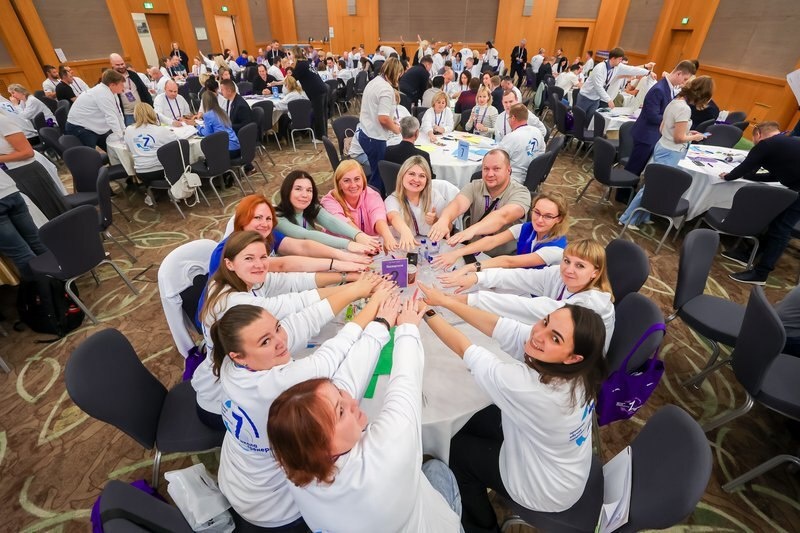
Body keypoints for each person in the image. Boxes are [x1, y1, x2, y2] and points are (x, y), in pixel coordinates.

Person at [210, 274, 394, 531]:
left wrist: (356, 290)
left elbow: (303, 320)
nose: (280, 341)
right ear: (238, 356)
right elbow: (336, 366)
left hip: (237, 480)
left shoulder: (232, 366)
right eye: (265, 341)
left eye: (277, 328)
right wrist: (379, 319)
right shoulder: (276, 385)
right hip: (275, 507)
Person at [418, 283, 607, 531]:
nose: (538, 334)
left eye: (555, 338)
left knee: (456, 454)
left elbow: (466, 349)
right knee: (472, 418)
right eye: (545, 321)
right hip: (563, 462)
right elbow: (501, 327)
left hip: (543, 486)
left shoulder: (532, 389)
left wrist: (425, 311)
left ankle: (481, 527)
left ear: (573, 357)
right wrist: (445, 301)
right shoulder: (580, 369)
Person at [268, 298, 463, 533]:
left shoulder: (294, 460)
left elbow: (347, 379)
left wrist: (381, 323)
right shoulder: (385, 451)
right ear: (320, 447)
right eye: (341, 412)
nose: (352, 402)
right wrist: (407, 328)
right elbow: (405, 383)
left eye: (340, 394)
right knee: (439, 470)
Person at [192, 230, 381, 428]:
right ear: (229, 263)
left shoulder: (239, 280)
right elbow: (295, 306)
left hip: (237, 384)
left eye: (263, 257)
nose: (259, 264)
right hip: (220, 404)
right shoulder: (235, 302)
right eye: (249, 258)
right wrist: (354, 289)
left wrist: (348, 279)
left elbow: (293, 282)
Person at [618, 75, 713, 230]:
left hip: (663, 145)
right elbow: (678, 138)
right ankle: (628, 218)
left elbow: (664, 128)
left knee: (654, 185)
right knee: (653, 186)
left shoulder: (675, 101)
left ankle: (642, 215)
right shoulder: (684, 109)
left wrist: (687, 133)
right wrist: (695, 137)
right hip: (671, 151)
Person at [719, 122, 800, 285]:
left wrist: (727, 176)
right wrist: (750, 177)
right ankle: (749, 255)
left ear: (758, 134)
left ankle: (761, 273)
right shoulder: (785, 142)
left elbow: (744, 168)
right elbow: (777, 175)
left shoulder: (766, 145)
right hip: (795, 186)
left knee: (781, 228)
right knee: (775, 221)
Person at [428, 149, 531, 256]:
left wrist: (471, 230)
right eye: (486, 169)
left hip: (503, 258)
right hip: (473, 252)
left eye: (496, 169)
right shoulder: (475, 186)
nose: (490, 174)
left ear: (508, 170)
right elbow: (458, 204)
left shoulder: (521, 193)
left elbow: (502, 216)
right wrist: (444, 220)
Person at [433, 191, 569, 271]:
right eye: (537, 212)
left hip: (536, 294)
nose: (539, 220)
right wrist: (457, 252)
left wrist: (470, 267)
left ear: (559, 219)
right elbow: (492, 241)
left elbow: (509, 262)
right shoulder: (527, 228)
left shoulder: (556, 249)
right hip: (520, 278)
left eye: (548, 216)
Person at [275, 169, 380, 253]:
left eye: (309, 190)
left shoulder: (310, 208)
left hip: (315, 257)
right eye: (298, 189)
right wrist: (348, 244)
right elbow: (308, 235)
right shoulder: (277, 219)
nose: (305, 195)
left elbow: (331, 221)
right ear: (287, 190)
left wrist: (358, 235)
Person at [626, 60, 697, 177]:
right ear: (678, 73)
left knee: (641, 169)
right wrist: (674, 122)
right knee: (634, 170)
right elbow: (652, 116)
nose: (684, 83)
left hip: (654, 134)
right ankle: (623, 189)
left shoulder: (669, 88)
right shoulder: (659, 89)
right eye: (685, 79)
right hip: (646, 135)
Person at [320, 160, 398, 250]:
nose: (353, 185)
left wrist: (387, 236)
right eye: (346, 181)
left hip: (368, 244)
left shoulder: (372, 195)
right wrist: (362, 237)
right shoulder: (329, 200)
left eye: (357, 179)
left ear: (363, 180)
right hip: (338, 247)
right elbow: (341, 222)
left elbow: (378, 216)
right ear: (339, 184)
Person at [358, 58, 403, 194]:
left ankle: (373, 199)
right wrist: (396, 130)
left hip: (365, 133)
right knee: (378, 177)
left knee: (376, 172)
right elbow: (383, 118)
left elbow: (376, 109)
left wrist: (391, 121)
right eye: (399, 74)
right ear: (394, 72)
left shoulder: (374, 82)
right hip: (375, 137)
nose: (399, 77)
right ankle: (374, 201)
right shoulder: (386, 89)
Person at [385, 155, 449, 249]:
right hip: (400, 247)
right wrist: (405, 231)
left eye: (422, 176)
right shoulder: (392, 199)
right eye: (411, 174)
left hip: (430, 247)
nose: (416, 180)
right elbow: (393, 217)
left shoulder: (435, 196)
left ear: (427, 180)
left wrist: (436, 221)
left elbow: (449, 228)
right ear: (402, 175)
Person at [575, 47, 654, 118]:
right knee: (578, 119)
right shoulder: (600, 68)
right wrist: (609, 100)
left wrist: (648, 72)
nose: (620, 61)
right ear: (613, 58)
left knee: (589, 121)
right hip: (586, 96)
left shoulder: (617, 67)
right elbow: (598, 87)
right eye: (619, 59)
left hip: (596, 99)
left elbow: (631, 69)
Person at [0, 166, 48, 280]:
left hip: (8, 190)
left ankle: (46, 288)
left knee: (20, 252)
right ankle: (60, 281)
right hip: (9, 190)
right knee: (36, 240)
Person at [123, 103, 177, 199]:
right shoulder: (160, 130)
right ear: (152, 113)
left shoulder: (128, 130)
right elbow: (177, 143)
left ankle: (153, 192)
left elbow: (129, 149)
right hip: (161, 170)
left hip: (141, 172)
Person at [64, 69, 125, 150]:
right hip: (79, 127)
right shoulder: (102, 94)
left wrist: (123, 131)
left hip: (92, 125)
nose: (124, 87)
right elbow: (111, 117)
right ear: (112, 85)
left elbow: (118, 113)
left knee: (112, 149)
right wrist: (121, 137)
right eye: (121, 84)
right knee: (90, 154)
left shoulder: (111, 92)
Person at [498, 103, 545, 183]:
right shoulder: (537, 132)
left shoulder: (511, 137)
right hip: (532, 177)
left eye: (509, 118)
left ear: (513, 118)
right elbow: (541, 153)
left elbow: (497, 160)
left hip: (513, 180)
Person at [291, 47, 328, 139]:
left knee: (318, 115)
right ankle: (324, 135)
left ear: (294, 54)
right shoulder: (306, 62)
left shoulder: (300, 65)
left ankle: (320, 137)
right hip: (321, 88)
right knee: (322, 114)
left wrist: (277, 83)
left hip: (316, 91)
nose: (289, 56)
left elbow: (291, 79)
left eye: (290, 54)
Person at [109, 53, 153, 125]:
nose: (121, 66)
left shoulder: (133, 75)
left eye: (122, 64)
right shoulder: (111, 79)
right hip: (127, 115)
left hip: (142, 112)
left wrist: (151, 108)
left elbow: (145, 91)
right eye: (118, 65)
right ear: (112, 65)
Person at [196, 90, 240, 156]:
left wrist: (198, 128)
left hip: (227, 150)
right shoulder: (222, 111)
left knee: (207, 150)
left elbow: (207, 133)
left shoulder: (207, 115)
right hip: (237, 147)